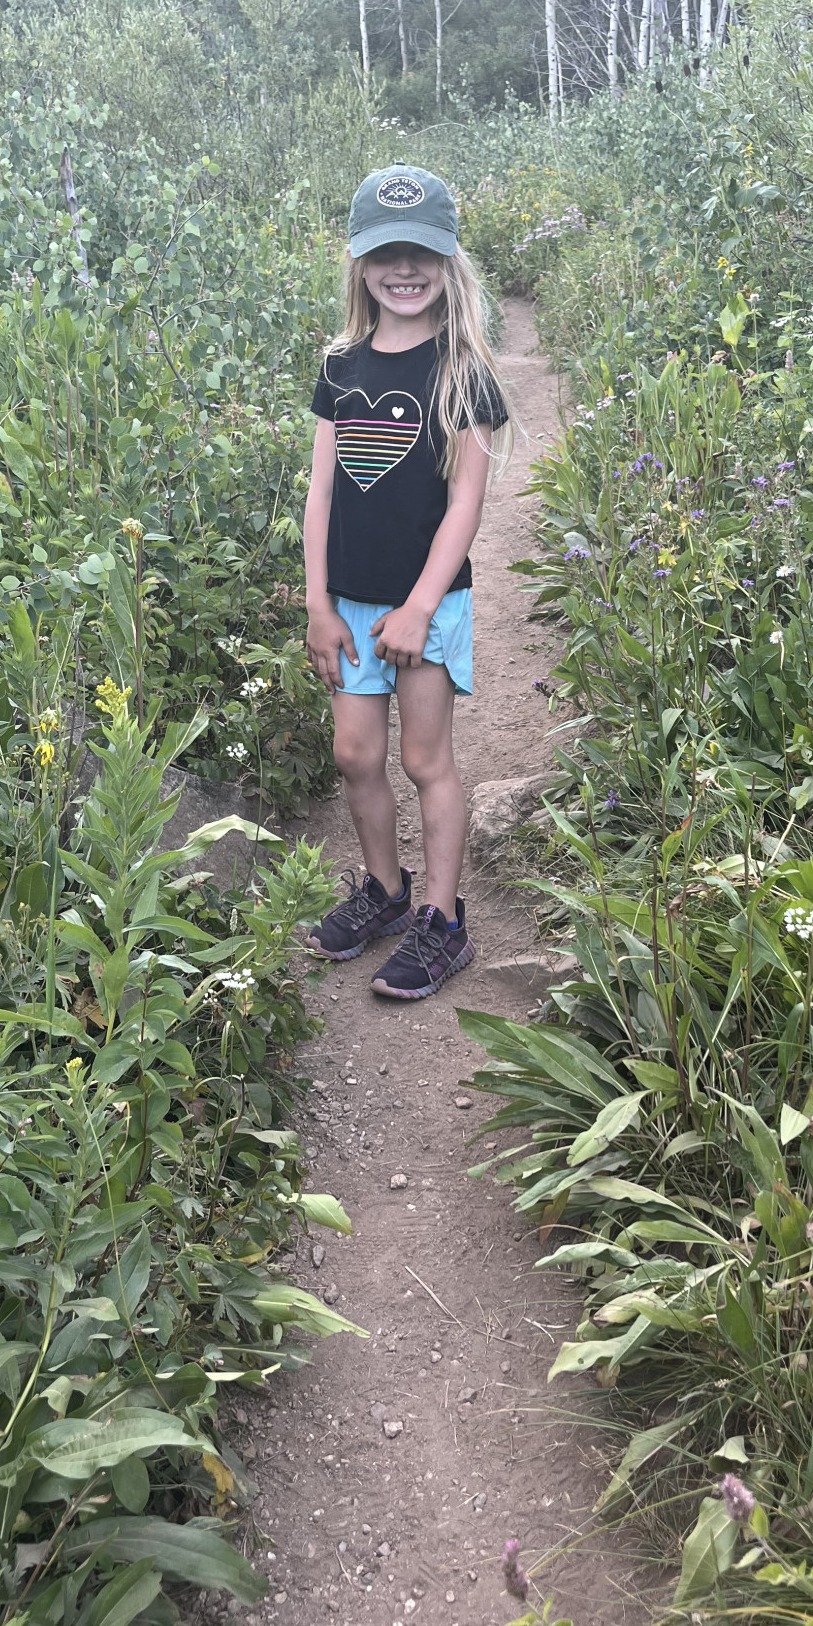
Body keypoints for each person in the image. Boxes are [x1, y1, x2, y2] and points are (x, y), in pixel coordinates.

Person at [303, 164, 509, 1000]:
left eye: (421, 251)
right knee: (355, 754)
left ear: (448, 261)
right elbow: (320, 493)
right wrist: (317, 603)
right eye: (386, 252)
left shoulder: (464, 373)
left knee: (426, 759)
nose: (404, 268)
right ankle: (386, 891)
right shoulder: (340, 366)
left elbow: (467, 503)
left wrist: (421, 606)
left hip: (428, 605)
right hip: (349, 604)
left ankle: (443, 922)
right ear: (361, 264)